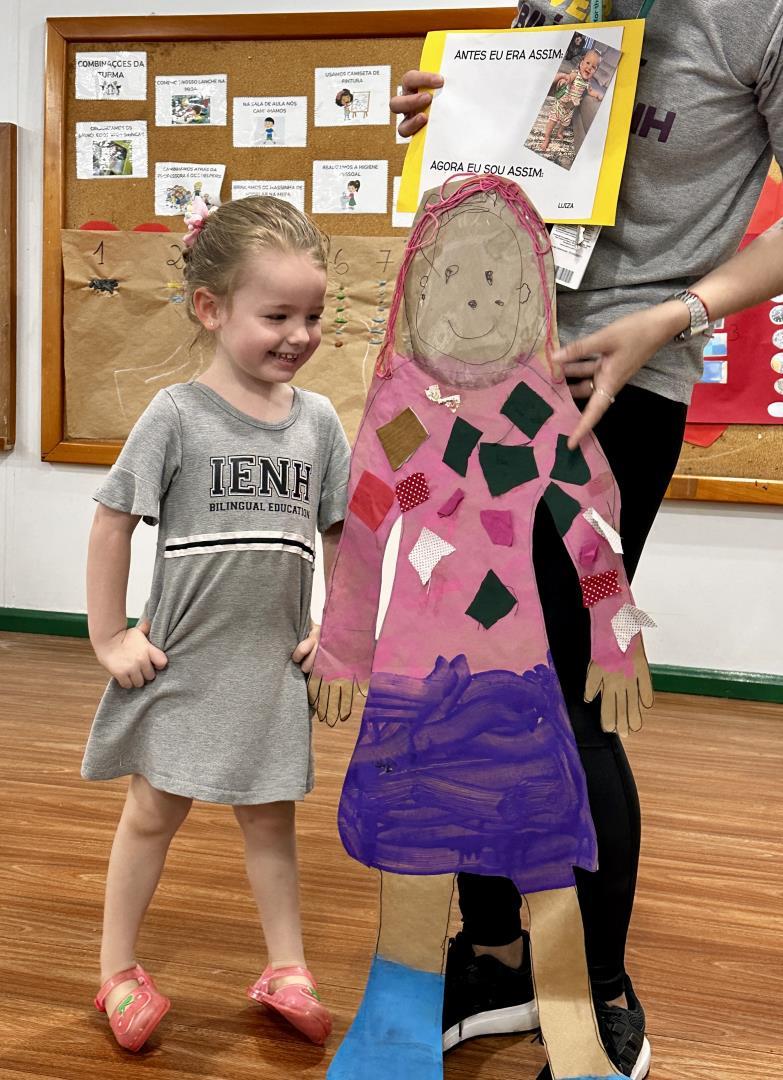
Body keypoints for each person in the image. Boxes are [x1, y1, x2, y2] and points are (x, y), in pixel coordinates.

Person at [390, 1, 783, 1077]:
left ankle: (599, 988)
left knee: (567, 690)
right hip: (476, 353)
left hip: (612, 380)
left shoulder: (751, 18)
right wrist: (452, 122)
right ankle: (495, 958)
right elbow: (527, 161)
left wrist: (677, 316)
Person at [81, 195, 350, 1053]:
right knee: (152, 813)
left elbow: (341, 532)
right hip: (181, 663)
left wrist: (341, 630)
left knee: (270, 819)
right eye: (277, 315)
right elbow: (113, 519)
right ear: (210, 308)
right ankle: (117, 971)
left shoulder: (319, 423)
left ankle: (287, 966)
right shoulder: (175, 414)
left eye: (312, 315)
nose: (298, 334)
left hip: (269, 668)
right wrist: (109, 636)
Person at [540, 48, 604, 153]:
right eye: (587, 63)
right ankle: (547, 137)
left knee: (564, 123)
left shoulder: (587, 83)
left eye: (593, 67)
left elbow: (590, 91)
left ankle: (560, 132)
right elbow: (570, 77)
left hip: (570, 108)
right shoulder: (576, 74)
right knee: (552, 121)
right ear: (581, 64)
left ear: (595, 71)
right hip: (561, 104)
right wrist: (566, 80)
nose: (589, 67)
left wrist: (597, 94)